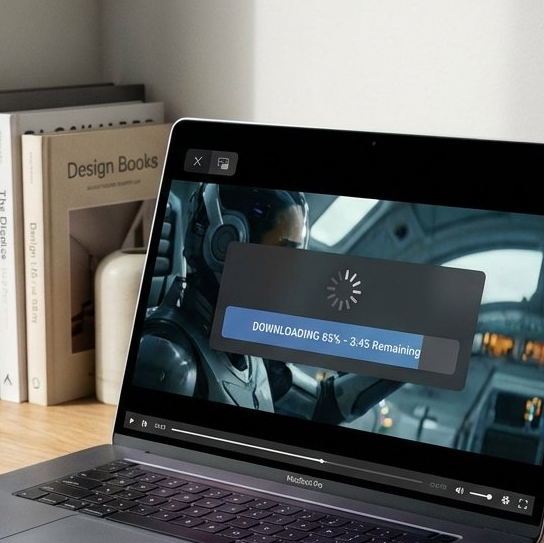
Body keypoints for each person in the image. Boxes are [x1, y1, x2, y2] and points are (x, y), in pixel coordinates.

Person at [134, 182, 399, 425]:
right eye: (282, 254)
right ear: (224, 245)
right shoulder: (167, 361)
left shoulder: (248, 354)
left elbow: (322, 405)